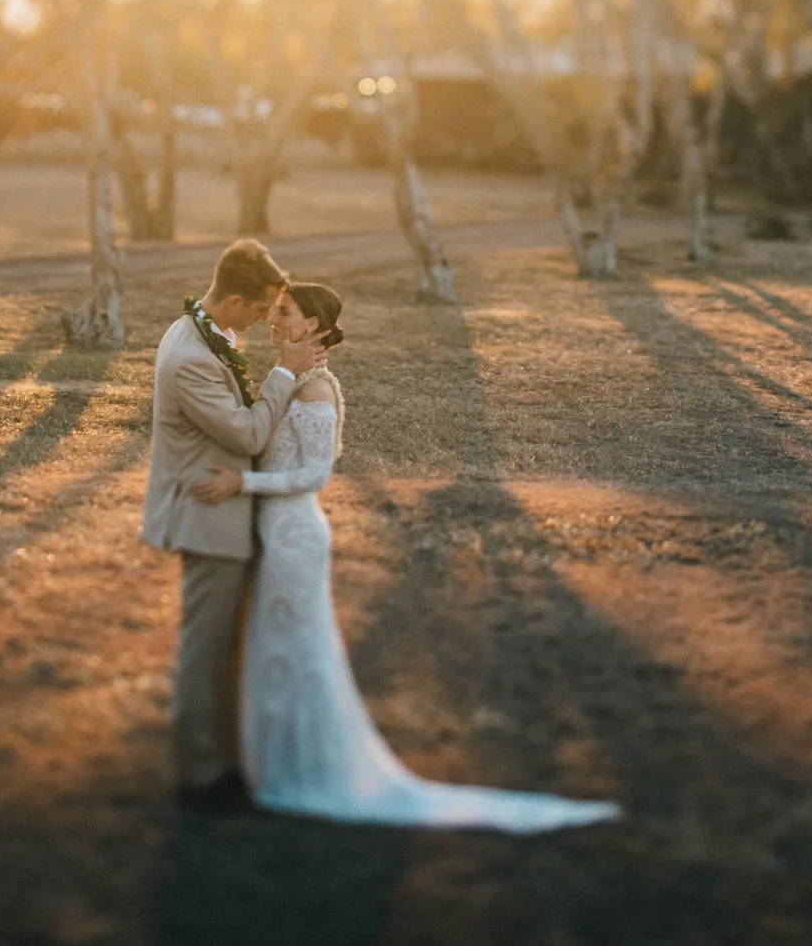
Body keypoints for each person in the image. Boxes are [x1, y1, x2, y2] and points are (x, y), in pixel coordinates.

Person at [189, 282, 621, 833]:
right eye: (273, 311)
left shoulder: (316, 391)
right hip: (271, 533)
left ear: (315, 328)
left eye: (285, 313)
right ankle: (274, 762)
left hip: (295, 537)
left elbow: (316, 475)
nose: (273, 320)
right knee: (274, 654)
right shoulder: (290, 382)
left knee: (296, 655)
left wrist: (240, 482)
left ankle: (304, 770)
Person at [143, 239, 325, 810]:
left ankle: (223, 754)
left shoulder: (203, 332)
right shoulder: (191, 359)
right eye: (261, 308)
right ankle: (199, 775)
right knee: (205, 649)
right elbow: (247, 434)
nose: (267, 319)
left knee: (222, 647)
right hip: (207, 514)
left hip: (226, 510)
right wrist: (285, 372)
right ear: (236, 300)